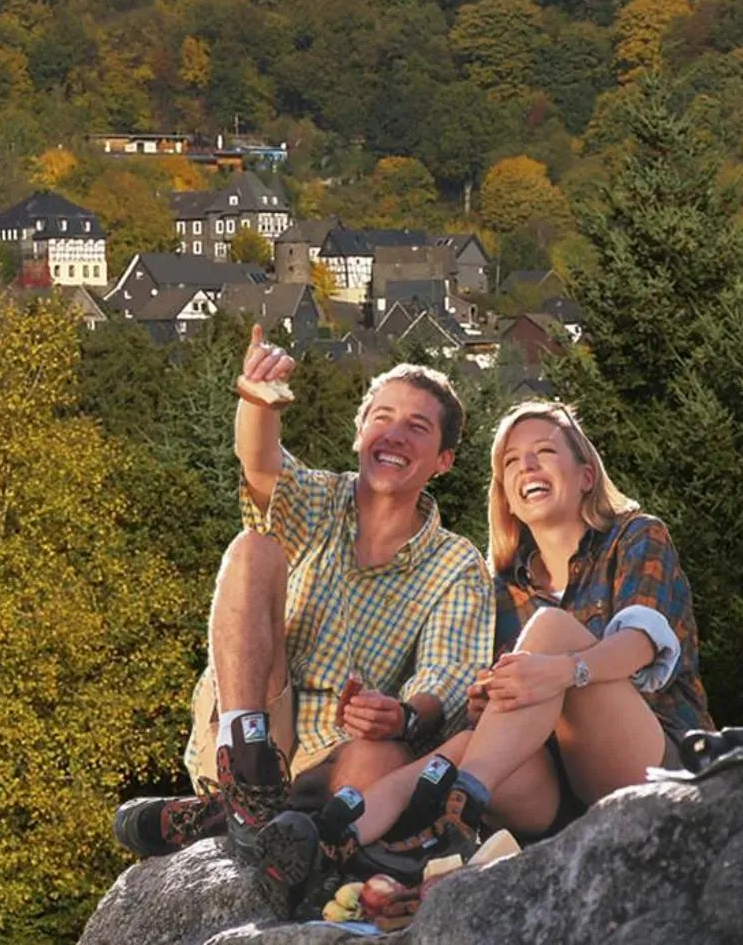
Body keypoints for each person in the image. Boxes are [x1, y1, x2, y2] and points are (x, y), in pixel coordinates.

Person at [251, 400, 713, 914]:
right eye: (512, 462)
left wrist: (560, 670)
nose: (528, 468)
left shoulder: (636, 536)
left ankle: (459, 808)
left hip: (650, 763)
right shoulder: (500, 591)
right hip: (555, 797)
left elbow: (640, 645)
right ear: (506, 498)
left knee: (553, 632)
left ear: (585, 476)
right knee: (453, 748)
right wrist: (487, 700)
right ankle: (331, 838)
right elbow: (502, 710)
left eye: (543, 453)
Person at [115, 327, 495, 883]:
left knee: (387, 760)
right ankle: (245, 776)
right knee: (251, 550)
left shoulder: (456, 563)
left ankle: (233, 818)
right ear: (360, 432)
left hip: (341, 754)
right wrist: (255, 398)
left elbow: (450, 668)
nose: (395, 435)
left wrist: (405, 712)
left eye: (418, 427)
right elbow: (261, 462)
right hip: (262, 715)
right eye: (382, 418)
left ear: (443, 460)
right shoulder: (317, 498)